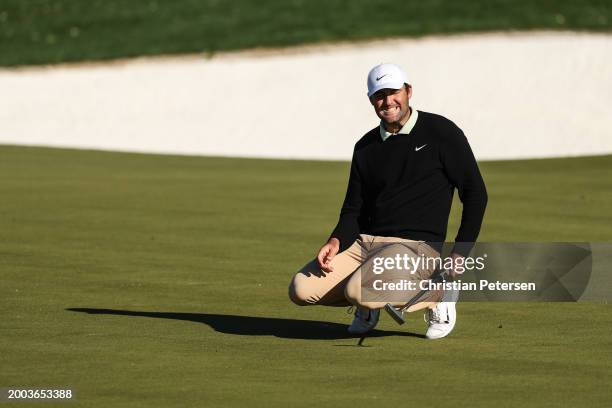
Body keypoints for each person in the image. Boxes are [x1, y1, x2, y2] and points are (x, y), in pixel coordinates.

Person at [288, 63, 487, 339]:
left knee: (358, 290)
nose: (387, 101)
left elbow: (475, 194)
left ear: (408, 91)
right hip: (366, 245)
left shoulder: (442, 133)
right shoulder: (366, 147)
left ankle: (439, 292)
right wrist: (335, 240)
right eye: (379, 95)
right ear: (371, 100)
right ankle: (369, 303)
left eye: (393, 92)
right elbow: (353, 209)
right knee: (301, 289)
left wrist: (460, 252)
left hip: (416, 248)